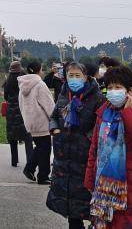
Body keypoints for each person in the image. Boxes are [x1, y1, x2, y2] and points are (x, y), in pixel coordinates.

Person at [85, 65, 132, 229]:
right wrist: (90, 180)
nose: (113, 92)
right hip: (104, 189)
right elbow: (95, 149)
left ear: (130, 91)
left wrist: (128, 113)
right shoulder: (103, 115)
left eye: (117, 87)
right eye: (109, 88)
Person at [47, 62, 105, 229]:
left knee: (86, 202)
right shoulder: (64, 94)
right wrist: (55, 129)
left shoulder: (97, 97)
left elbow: (101, 124)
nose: (73, 79)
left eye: (77, 75)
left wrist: (87, 139)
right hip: (64, 158)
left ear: (85, 77)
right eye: (70, 75)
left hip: (84, 158)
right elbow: (54, 116)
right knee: (70, 208)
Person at [18, 60, 56, 184]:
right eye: (42, 69)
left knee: (40, 147)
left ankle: (29, 169)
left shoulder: (22, 85)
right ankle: (43, 176)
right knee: (45, 150)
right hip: (42, 122)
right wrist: (55, 118)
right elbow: (49, 104)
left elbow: (21, 104)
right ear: (38, 70)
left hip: (30, 122)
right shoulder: (40, 84)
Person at [3, 60, 33, 168]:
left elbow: (6, 97)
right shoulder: (25, 80)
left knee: (12, 137)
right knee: (27, 138)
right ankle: (30, 161)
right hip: (23, 111)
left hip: (11, 112)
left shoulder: (8, 82)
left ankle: (14, 160)